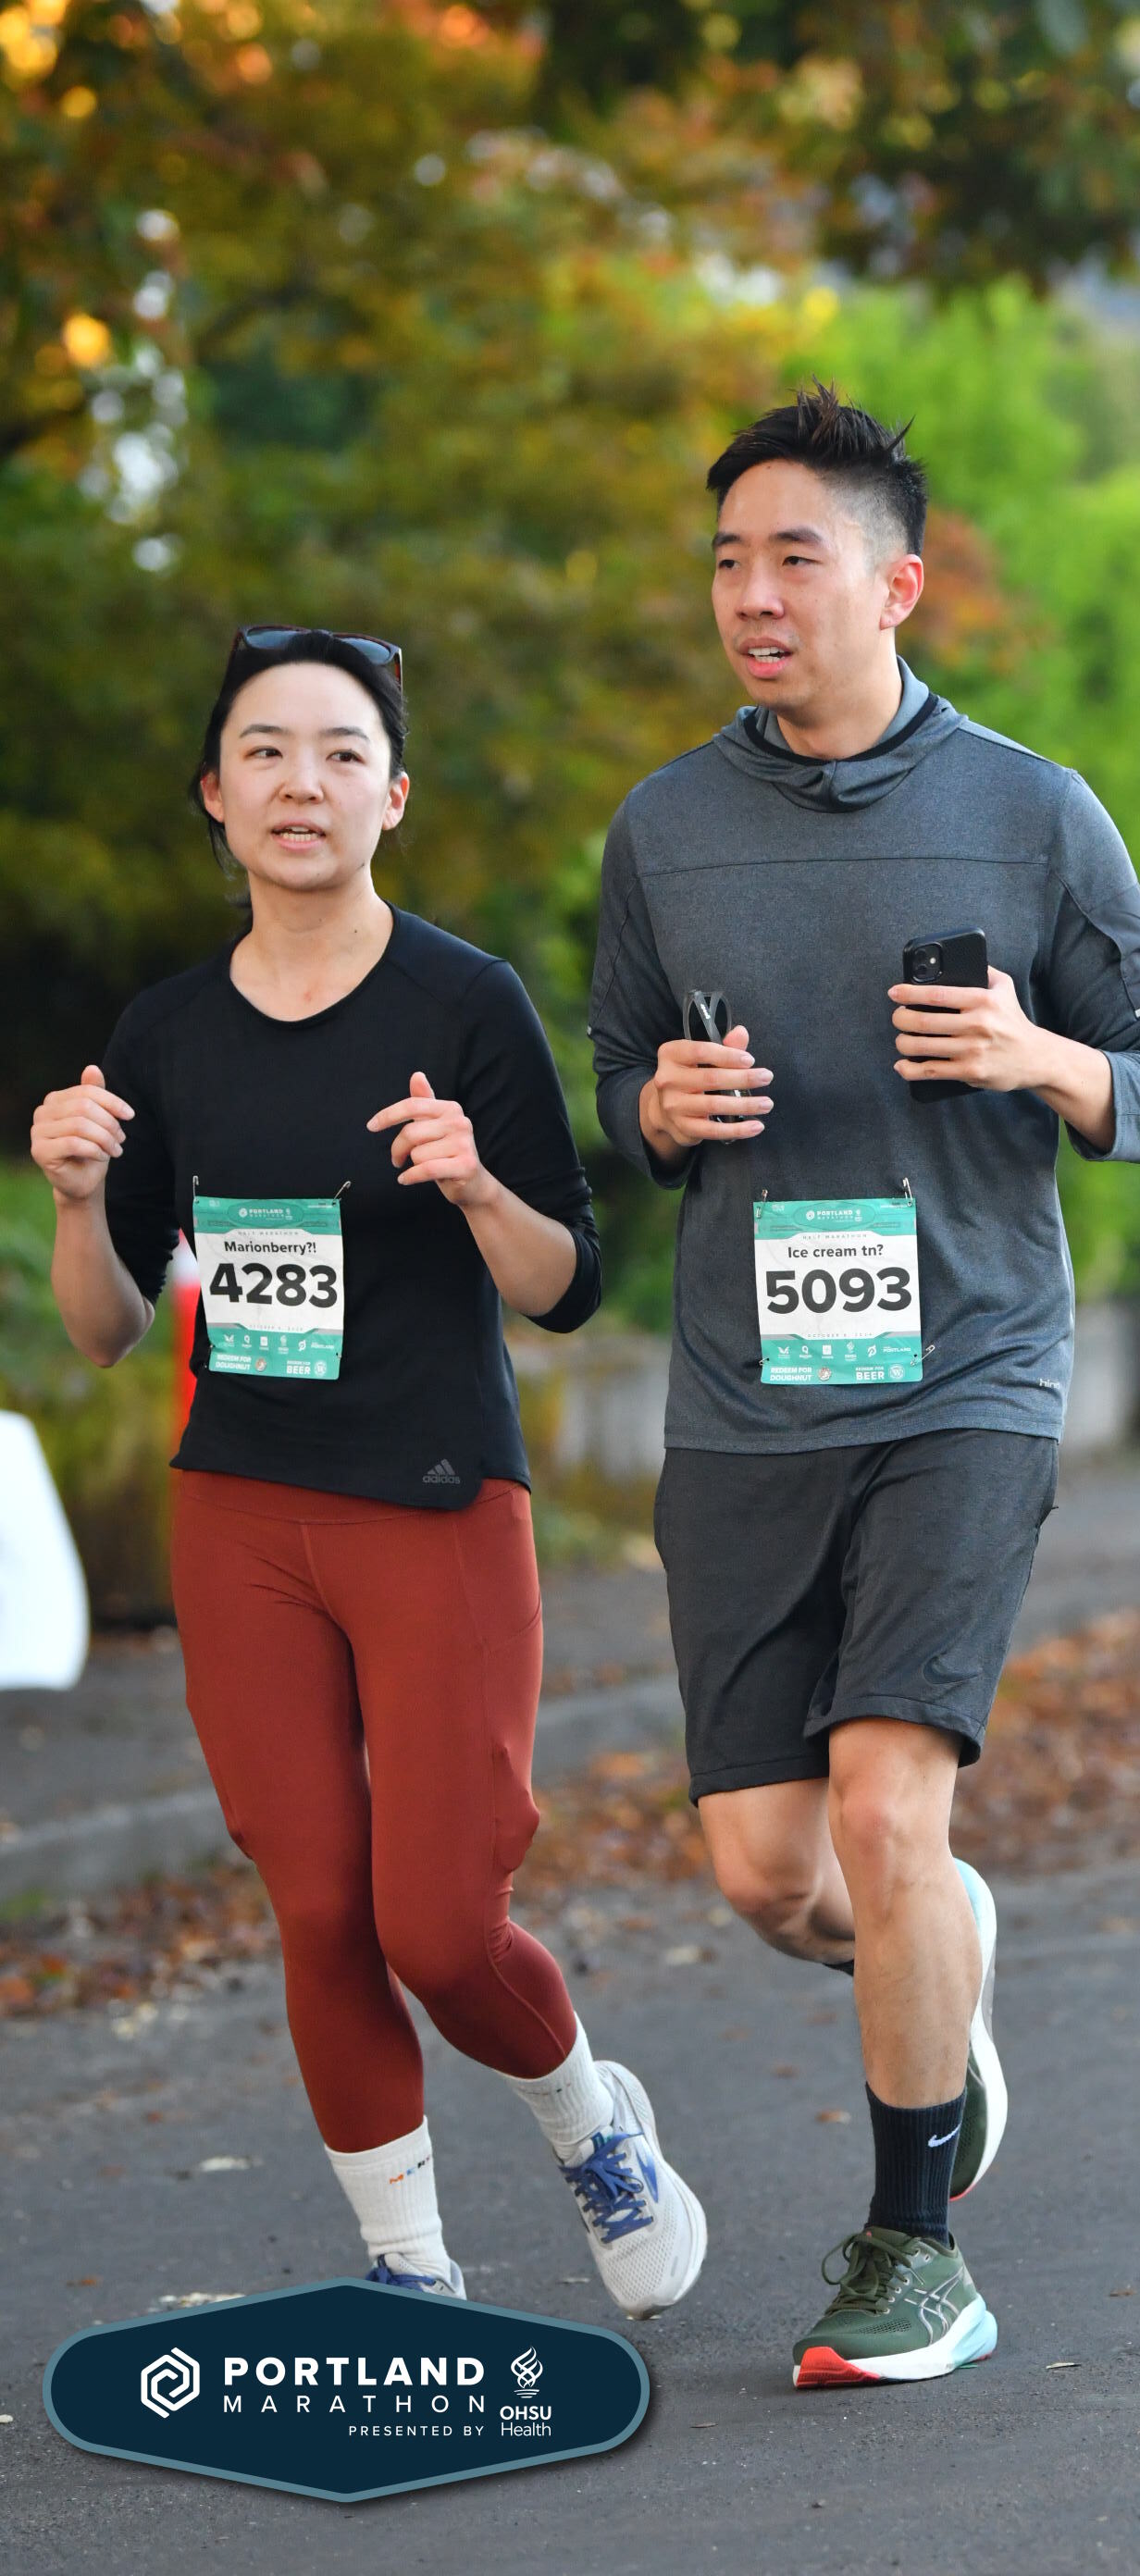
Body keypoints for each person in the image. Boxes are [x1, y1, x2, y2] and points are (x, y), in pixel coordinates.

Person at [589, 387, 1140, 2386]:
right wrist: (656, 1106)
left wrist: (1040, 1057)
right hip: (745, 1400)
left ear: (897, 585)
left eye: (794, 557)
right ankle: (936, 1955)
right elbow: (612, 1082)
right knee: (772, 1873)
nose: (751, 596)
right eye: (727, 562)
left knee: (884, 1801)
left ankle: (914, 2248)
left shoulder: (1035, 810)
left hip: (968, 1378)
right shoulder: (663, 828)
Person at [28, 625, 704, 2317]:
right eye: (264, 750)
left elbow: (568, 1285)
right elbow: (107, 1330)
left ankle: (589, 2118)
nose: (301, 782)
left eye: (341, 752)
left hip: (432, 1499)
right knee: (319, 1907)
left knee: (438, 1924)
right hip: (242, 1508)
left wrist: (475, 1186)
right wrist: (75, 1200)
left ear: (392, 797)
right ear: (214, 793)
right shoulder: (168, 1032)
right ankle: (410, 2268)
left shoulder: (463, 1004)